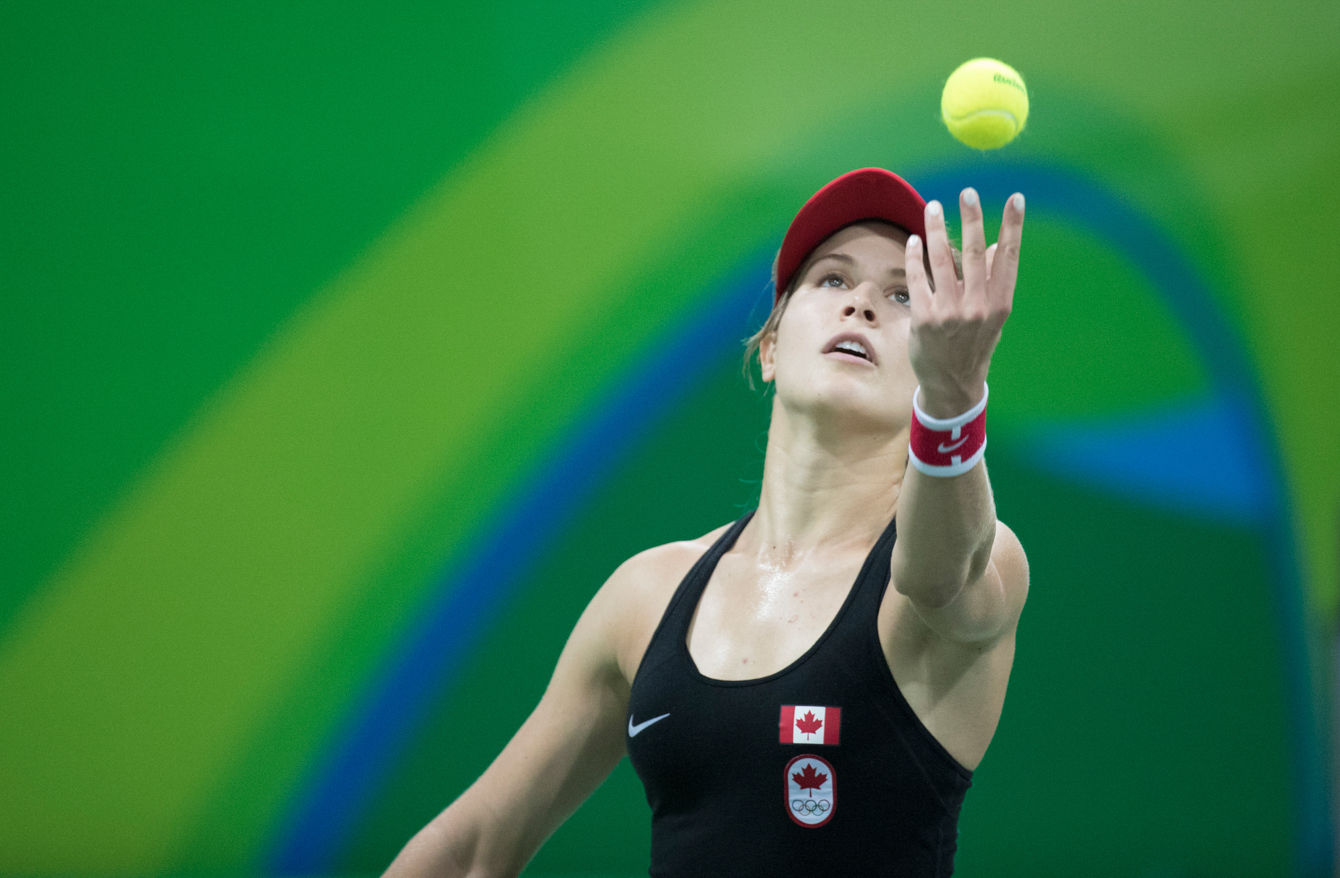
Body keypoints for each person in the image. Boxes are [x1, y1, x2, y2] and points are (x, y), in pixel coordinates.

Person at [383, 167, 1029, 877]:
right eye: (833, 281)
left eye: (904, 295)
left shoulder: (978, 559)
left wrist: (955, 398)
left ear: (935, 363)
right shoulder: (646, 596)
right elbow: (475, 849)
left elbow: (940, 575)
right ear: (771, 346)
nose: (865, 304)